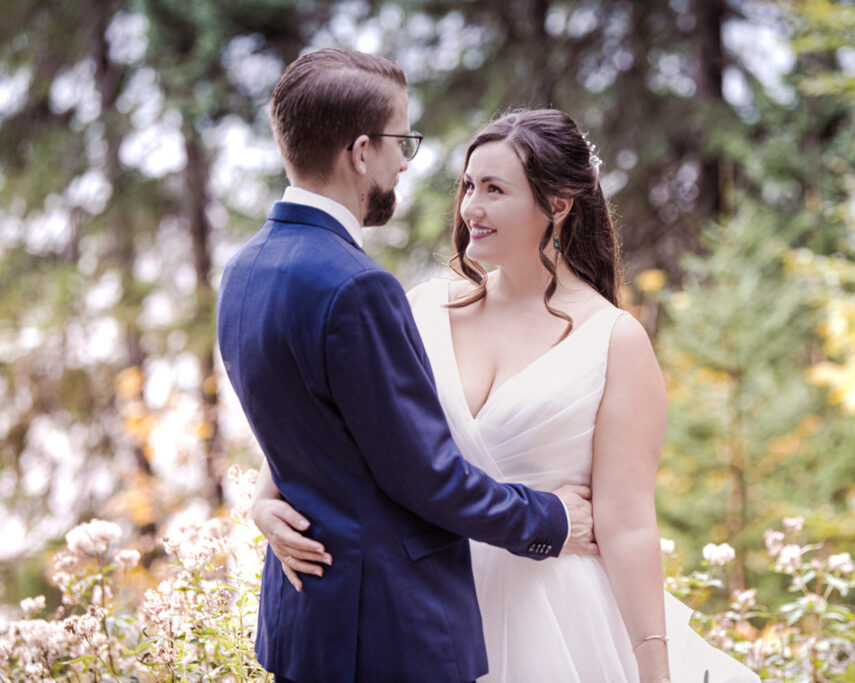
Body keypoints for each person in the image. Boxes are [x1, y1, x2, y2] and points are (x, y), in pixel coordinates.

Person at [254, 108, 762, 682]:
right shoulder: (420, 309)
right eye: (469, 185)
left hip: (556, 620)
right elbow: (341, 433)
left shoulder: (614, 340)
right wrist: (265, 499)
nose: (471, 207)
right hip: (427, 609)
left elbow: (628, 524)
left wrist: (654, 668)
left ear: (558, 205)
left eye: (495, 190)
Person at [217, 49, 598, 683]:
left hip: (302, 624)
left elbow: (309, 430)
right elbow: (425, 475)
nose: (403, 162)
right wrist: (550, 520)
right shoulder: (357, 287)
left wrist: (263, 501)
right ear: (361, 151)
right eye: (402, 142)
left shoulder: (244, 270)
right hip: (387, 634)